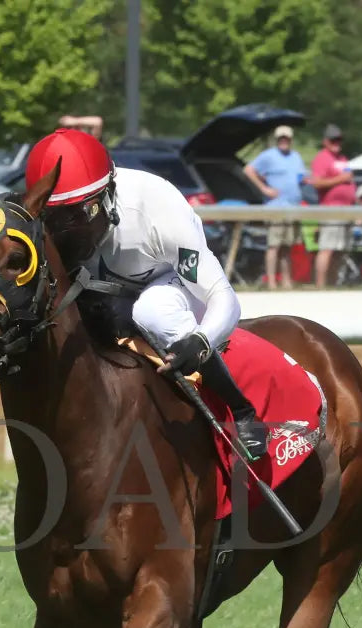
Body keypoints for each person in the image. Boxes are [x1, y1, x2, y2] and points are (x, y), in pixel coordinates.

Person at [24, 128, 267, 458]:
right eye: (55, 218)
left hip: (169, 281)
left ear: (109, 195)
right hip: (109, 292)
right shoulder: (69, 217)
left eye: (82, 214)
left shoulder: (158, 212)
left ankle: (242, 412)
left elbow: (223, 298)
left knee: (152, 311)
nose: (70, 231)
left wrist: (201, 342)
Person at [243, 125, 307, 289]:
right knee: (274, 246)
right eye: (281, 138)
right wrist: (264, 188)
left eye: (286, 138)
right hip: (276, 207)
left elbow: (302, 176)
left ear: (291, 140)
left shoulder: (296, 157)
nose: (284, 141)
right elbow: (249, 170)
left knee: (287, 247)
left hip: (293, 207)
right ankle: (271, 281)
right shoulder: (268, 156)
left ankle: (286, 281)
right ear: (277, 140)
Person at [309, 124, 356, 288]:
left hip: (346, 209)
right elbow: (317, 182)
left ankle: (332, 283)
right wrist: (341, 179)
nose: (337, 142)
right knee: (327, 248)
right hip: (331, 209)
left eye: (339, 139)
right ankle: (320, 285)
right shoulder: (322, 158)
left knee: (340, 251)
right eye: (333, 139)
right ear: (325, 141)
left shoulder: (342, 159)